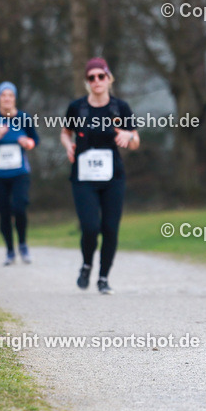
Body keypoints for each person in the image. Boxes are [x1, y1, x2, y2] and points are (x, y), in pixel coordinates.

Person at [60, 58, 140, 295]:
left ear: (109, 79)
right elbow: (65, 133)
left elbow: (135, 140)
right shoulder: (77, 108)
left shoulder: (120, 108)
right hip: (83, 178)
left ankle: (103, 277)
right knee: (90, 227)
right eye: (91, 77)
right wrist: (68, 145)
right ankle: (86, 265)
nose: (96, 81)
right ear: (87, 81)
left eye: (100, 76)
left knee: (111, 228)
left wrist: (128, 137)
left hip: (113, 177)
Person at [0, 82, 39, 264]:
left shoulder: (23, 118)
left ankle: (22, 244)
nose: (7, 98)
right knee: (4, 213)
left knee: (19, 207)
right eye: (3, 95)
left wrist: (26, 142)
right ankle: (10, 251)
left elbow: (34, 140)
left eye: (10, 95)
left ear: (15, 98)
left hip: (19, 172)